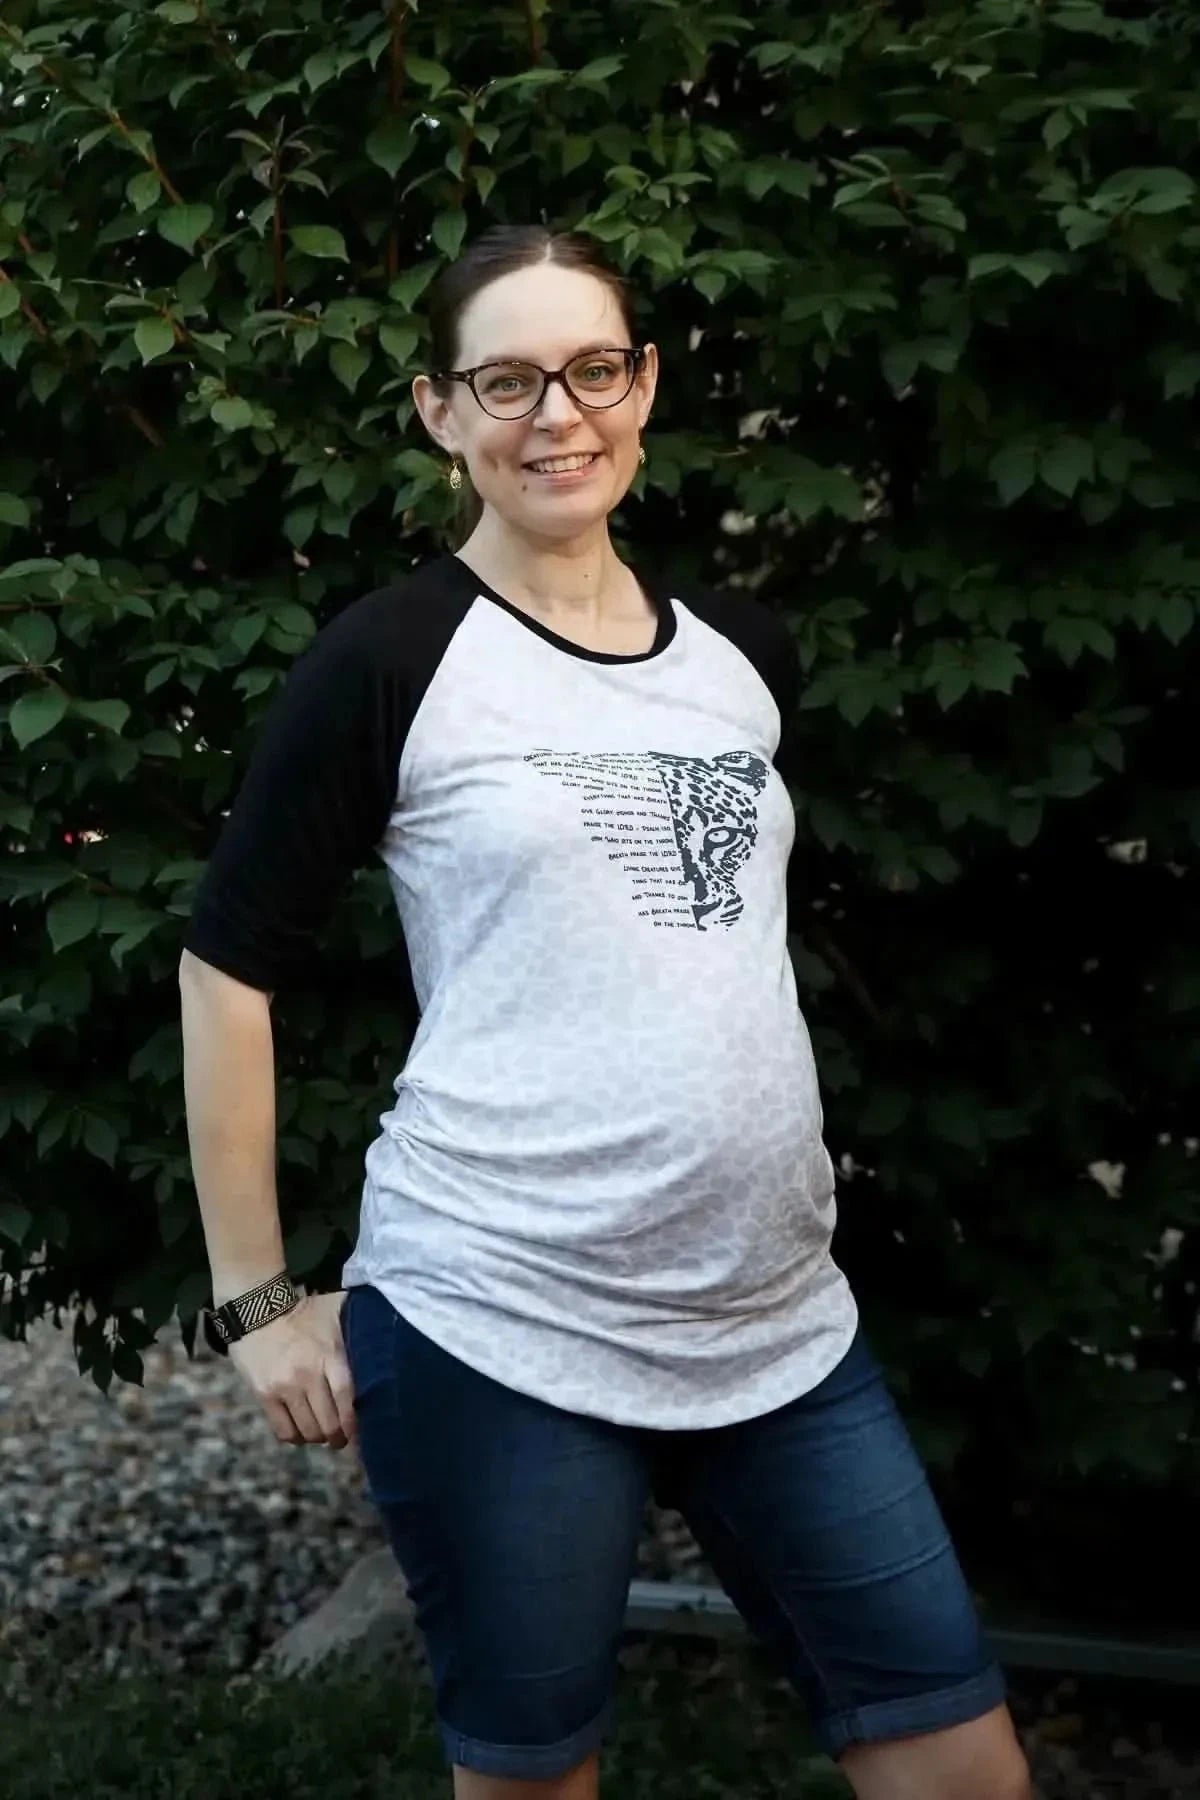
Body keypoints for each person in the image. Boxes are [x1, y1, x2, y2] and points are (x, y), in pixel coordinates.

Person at [178, 225, 1032, 1800]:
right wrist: (257, 1294)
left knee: (960, 1757)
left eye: (591, 368)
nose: (554, 412)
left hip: (775, 1322)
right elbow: (230, 965)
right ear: (441, 411)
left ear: (643, 388)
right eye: (506, 379)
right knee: (533, 1783)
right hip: (499, 1319)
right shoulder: (391, 658)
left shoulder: (740, 660)